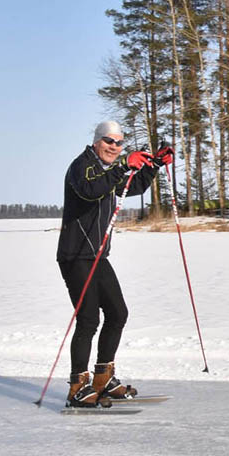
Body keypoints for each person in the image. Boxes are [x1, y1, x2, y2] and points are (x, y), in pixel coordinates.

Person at [56, 121, 172, 407]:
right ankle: (77, 387)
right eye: (109, 141)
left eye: (120, 143)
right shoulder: (81, 166)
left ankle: (103, 378)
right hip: (76, 255)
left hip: (97, 256)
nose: (115, 147)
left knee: (118, 313)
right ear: (97, 141)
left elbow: (134, 186)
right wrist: (123, 166)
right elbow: (89, 191)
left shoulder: (109, 170)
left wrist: (154, 164)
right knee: (88, 319)